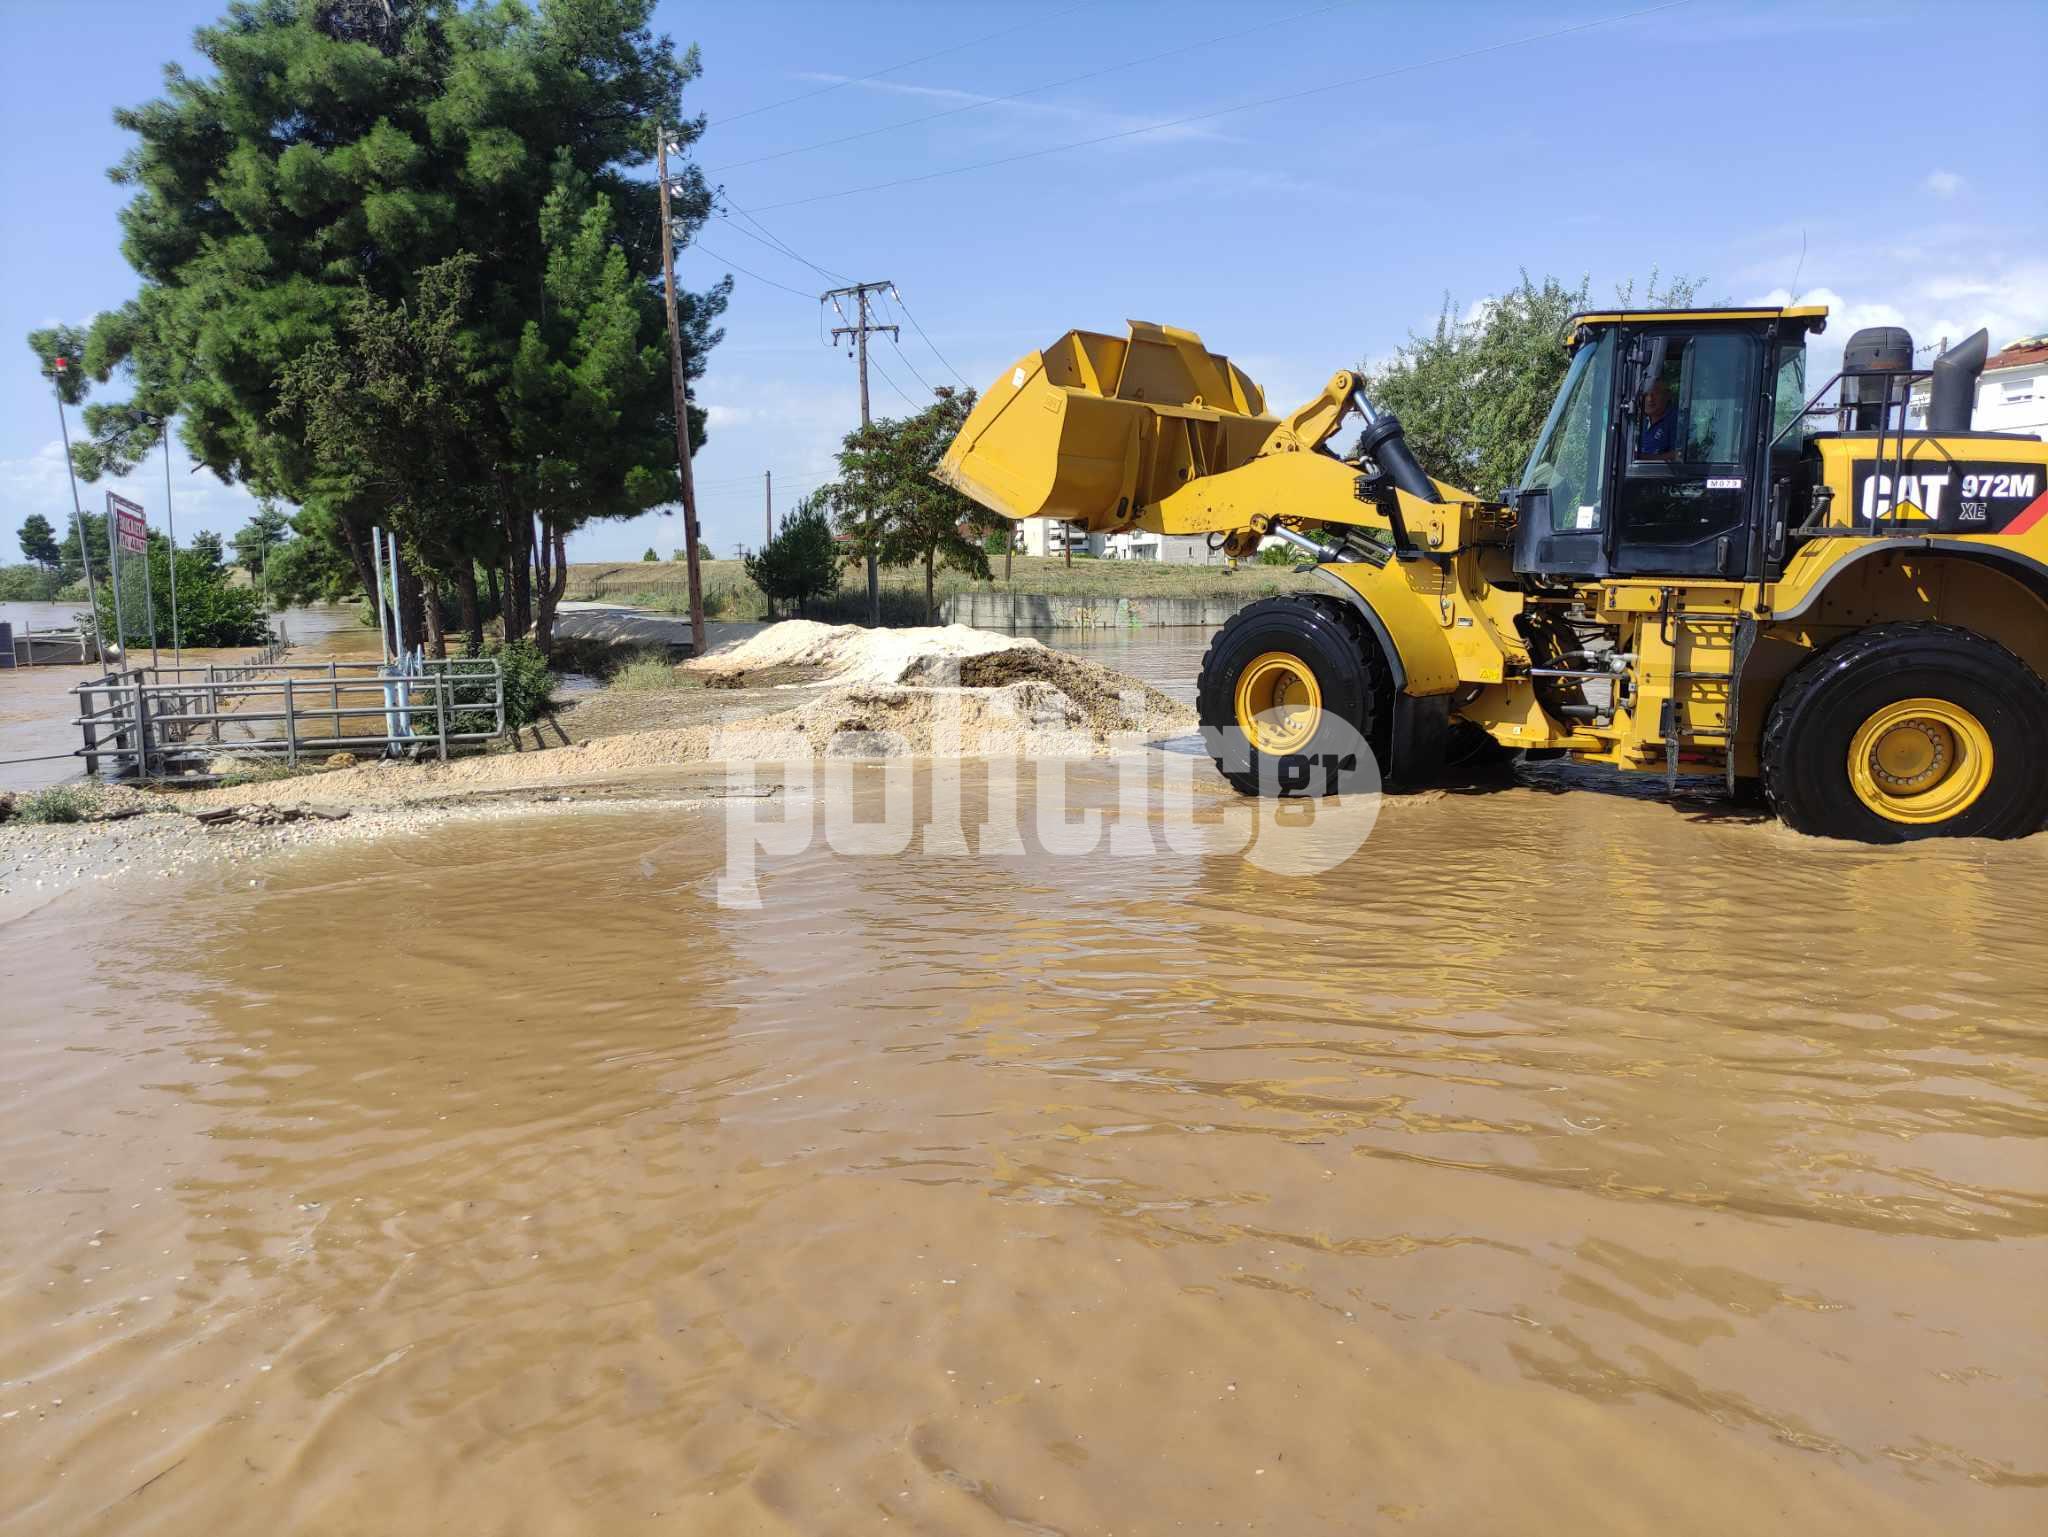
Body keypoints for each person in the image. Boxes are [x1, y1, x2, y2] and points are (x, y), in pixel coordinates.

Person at [1637, 375, 1680, 458]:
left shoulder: (1677, 419)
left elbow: (1679, 455)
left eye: (1656, 393)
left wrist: (1644, 459)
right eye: (1645, 394)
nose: (1650, 399)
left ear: (1667, 395)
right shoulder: (1638, 420)